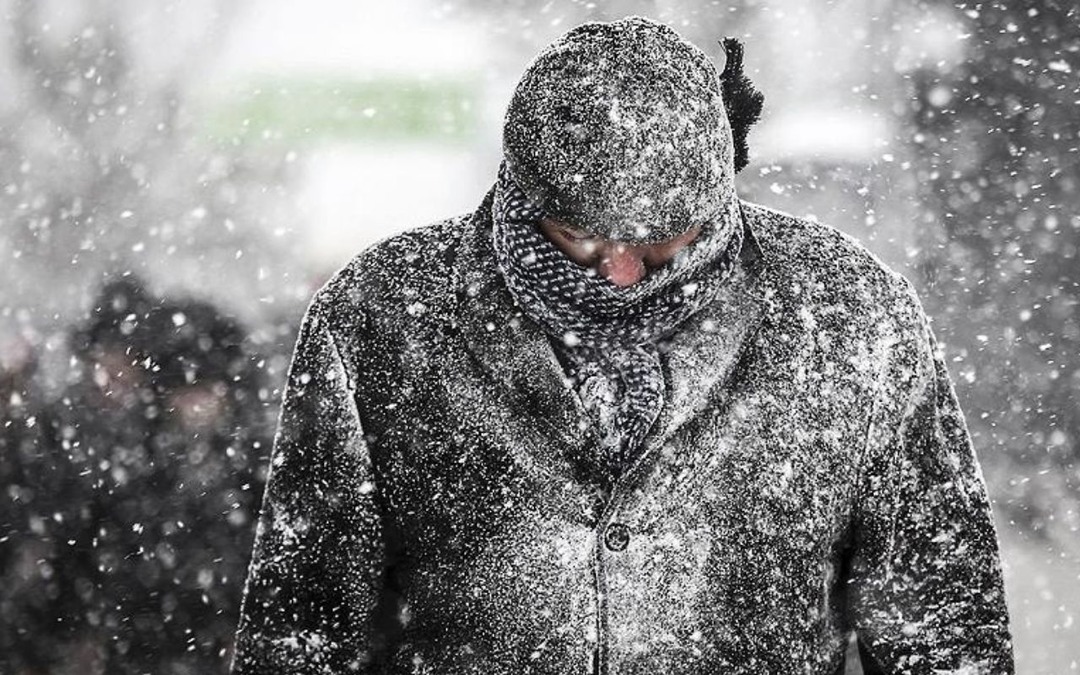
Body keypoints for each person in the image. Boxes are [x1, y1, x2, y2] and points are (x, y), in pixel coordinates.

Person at [231, 17, 1014, 675]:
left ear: (721, 193)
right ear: (520, 195)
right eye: (578, 237)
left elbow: (943, 625)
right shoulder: (381, 316)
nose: (623, 274)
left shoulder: (851, 318)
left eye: (665, 240)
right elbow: (303, 624)